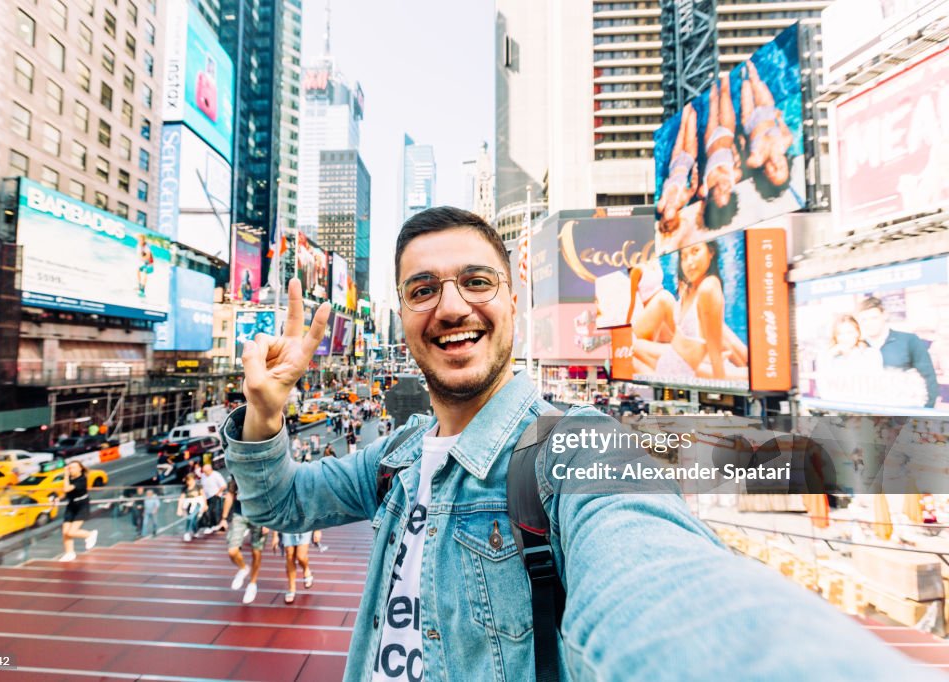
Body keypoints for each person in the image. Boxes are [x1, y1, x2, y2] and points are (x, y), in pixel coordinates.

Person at [224, 207, 922, 681]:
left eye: (476, 281)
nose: (453, 306)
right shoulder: (400, 453)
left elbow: (655, 578)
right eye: (423, 289)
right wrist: (262, 412)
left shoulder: (574, 447)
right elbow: (279, 501)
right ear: (403, 317)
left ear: (514, 305)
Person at [631, 240, 748, 381]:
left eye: (695, 252)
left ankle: (751, 367)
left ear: (711, 252)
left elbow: (715, 345)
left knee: (634, 350)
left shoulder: (708, 287)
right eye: (684, 257)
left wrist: (719, 381)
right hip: (679, 363)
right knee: (634, 350)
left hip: (686, 367)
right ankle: (749, 365)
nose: (689, 262)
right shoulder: (691, 289)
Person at [856, 296, 939, 408]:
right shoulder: (859, 347)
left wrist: (926, 412)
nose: (869, 323)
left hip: (905, 415)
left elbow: (929, 378)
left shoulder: (909, 340)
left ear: (884, 315)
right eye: (864, 320)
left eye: (873, 318)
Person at [740, 60, 795, 199]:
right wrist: (780, 119)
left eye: (774, 171)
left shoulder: (756, 160)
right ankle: (749, 64)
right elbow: (784, 129)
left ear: (765, 173)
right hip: (767, 110)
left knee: (745, 86)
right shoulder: (785, 142)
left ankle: (742, 76)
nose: (777, 165)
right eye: (782, 168)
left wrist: (740, 139)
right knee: (756, 80)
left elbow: (740, 154)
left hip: (750, 120)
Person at [700, 73, 742, 229]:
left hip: (709, 141)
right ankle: (725, 74)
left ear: (712, 199)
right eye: (726, 194)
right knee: (725, 93)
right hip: (727, 133)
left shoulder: (704, 189)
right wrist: (736, 148)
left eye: (719, 196)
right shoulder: (734, 178)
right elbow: (737, 156)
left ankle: (712, 77)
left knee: (713, 102)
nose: (723, 191)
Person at [222, 475, 268, 604]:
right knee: (232, 551)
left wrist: (268, 521)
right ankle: (243, 568)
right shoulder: (236, 473)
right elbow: (230, 495)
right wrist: (224, 518)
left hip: (259, 516)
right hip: (239, 514)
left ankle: (252, 584)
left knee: (256, 552)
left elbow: (268, 496)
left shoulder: (260, 473)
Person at [656, 103, 699, 236]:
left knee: (681, 129)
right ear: (676, 214)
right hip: (688, 161)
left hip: (674, 163)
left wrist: (665, 227)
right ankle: (692, 105)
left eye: (666, 212)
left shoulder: (661, 205)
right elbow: (693, 188)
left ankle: (687, 104)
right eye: (671, 210)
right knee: (692, 122)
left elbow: (661, 211)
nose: (669, 206)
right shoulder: (682, 199)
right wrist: (696, 171)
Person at [59, 461, 97, 561]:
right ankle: (69, 553)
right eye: (70, 468)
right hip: (71, 505)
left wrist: (65, 476)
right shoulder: (71, 479)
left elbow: (67, 489)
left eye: (74, 468)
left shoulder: (82, 479)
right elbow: (66, 492)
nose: (71, 470)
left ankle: (90, 534)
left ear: (80, 468)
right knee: (65, 532)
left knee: (72, 532)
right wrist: (58, 499)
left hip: (82, 505)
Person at [177, 473, 207, 542]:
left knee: (191, 517)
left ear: (193, 479)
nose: (188, 482)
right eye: (187, 480)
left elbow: (203, 495)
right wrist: (179, 508)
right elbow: (181, 498)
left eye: (190, 480)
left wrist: (205, 504)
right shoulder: (185, 488)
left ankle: (187, 532)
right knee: (193, 519)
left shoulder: (198, 486)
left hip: (197, 504)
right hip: (188, 505)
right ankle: (195, 531)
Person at [199, 463, 227, 533]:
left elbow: (224, 485)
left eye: (206, 471)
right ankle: (210, 525)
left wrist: (217, 493)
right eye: (204, 471)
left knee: (213, 511)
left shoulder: (216, 475)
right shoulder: (203, 476)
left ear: (210, 469)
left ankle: (213, 525)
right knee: (206, 512)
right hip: (206, 497)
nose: (205, 473)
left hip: (215, 495)